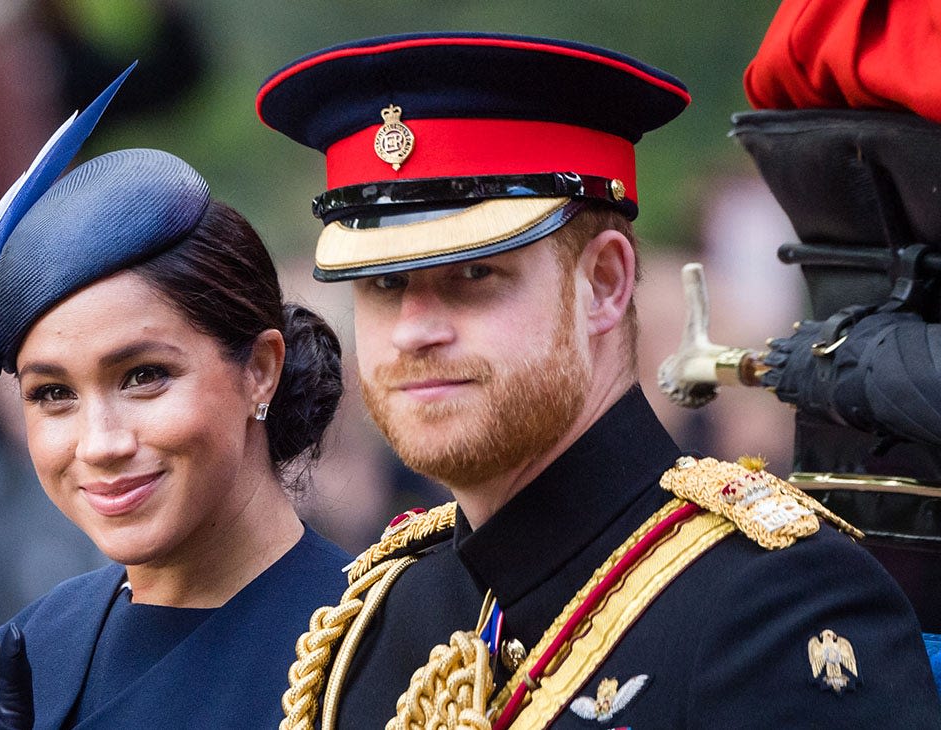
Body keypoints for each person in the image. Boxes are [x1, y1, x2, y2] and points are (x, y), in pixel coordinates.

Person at [255, 32, 941, 728]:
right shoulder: (378, 620)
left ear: (605, 284)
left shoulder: (777, 609)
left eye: (473, 275)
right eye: (384, 283)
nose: (412, 330)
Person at [0, 69, 349, 728]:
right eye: (53, 394)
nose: (100, 443)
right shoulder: (27, 655)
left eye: (144, 375)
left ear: (260, 371)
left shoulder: (378, 643)